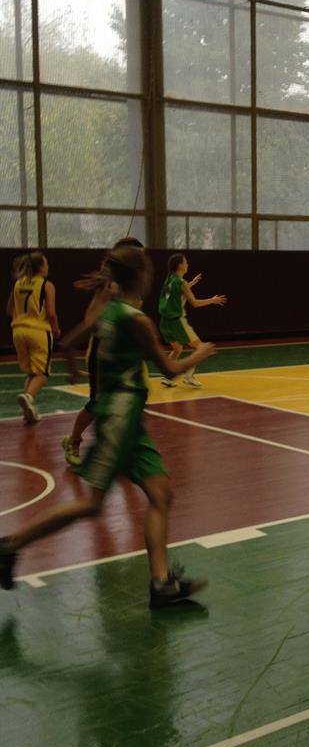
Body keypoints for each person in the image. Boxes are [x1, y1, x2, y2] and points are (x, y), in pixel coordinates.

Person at [0, 246, 214, 608]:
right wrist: (201, 353)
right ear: (141, 278)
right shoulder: (137, 321)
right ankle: (10, 545)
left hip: (126, 417)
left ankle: (161, 583)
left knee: (161, 494)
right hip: (120, 418)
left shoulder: (108, 311)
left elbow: (71, 340)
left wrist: (73, 367)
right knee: (92, 505)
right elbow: (170, 368)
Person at [61, 236, 145, 468]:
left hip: (124, 351)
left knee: (130, 399)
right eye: (138, 255)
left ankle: (127, 447)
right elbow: (91, 320)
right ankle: (73, 440)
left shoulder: (132, 284)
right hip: (103, 349)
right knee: (98, 403)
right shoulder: (110, 286)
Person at [6, 251, 60, 425]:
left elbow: (9, 309)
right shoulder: (46, 285)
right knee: (42, 373)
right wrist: (55, 328)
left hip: (18, 331)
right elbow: (50, 312)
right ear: (41, 267)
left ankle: (28, 411)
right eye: (46, 263)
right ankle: (28, 396)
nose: (48, 266)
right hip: (38, 331)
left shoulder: (18, 283)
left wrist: (23, 317)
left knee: (31, 372)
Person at [158, 254, 226, 388]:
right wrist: (212, 300)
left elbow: (173, 294)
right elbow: (194, 303)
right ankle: (188, 376)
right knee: (200, 348)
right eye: (186, 262)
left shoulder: (170, 280)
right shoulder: (181, 282)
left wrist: (190, 284)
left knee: (177, 349)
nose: (187, 264)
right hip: (177, 321)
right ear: (180, 265)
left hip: (164, 322)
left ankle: (167, 376)